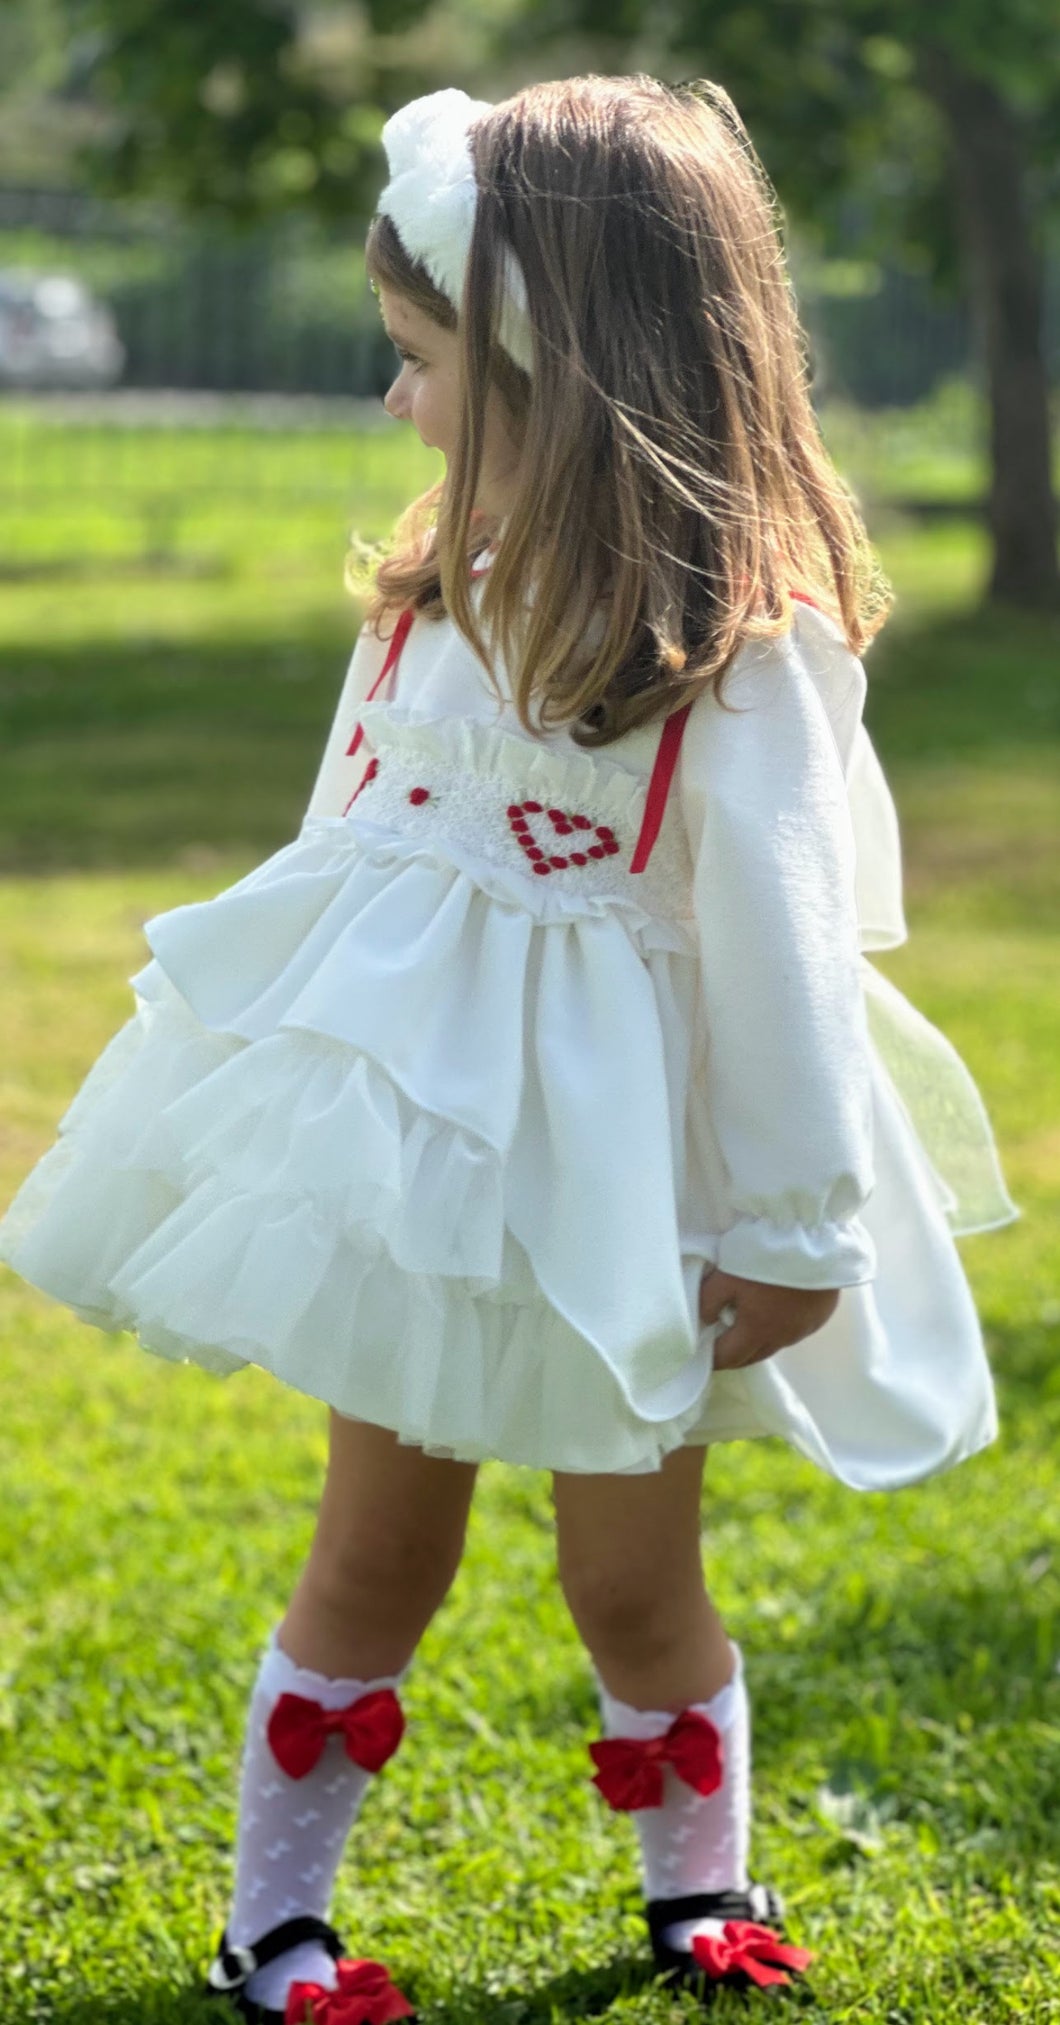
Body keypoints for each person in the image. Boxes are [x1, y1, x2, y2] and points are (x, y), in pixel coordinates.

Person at [0, 75, 1020, 2025]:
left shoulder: (737, 655)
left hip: (626, 1197)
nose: (397, 398)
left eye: (423, 354)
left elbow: (787, 954)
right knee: (372, 1551)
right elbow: (347, 848)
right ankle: (274, 1923)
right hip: (423, 1172)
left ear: (564, 367)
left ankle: (699, 1887)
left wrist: (795, 1227)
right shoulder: (428, 594)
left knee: (630, 1579)